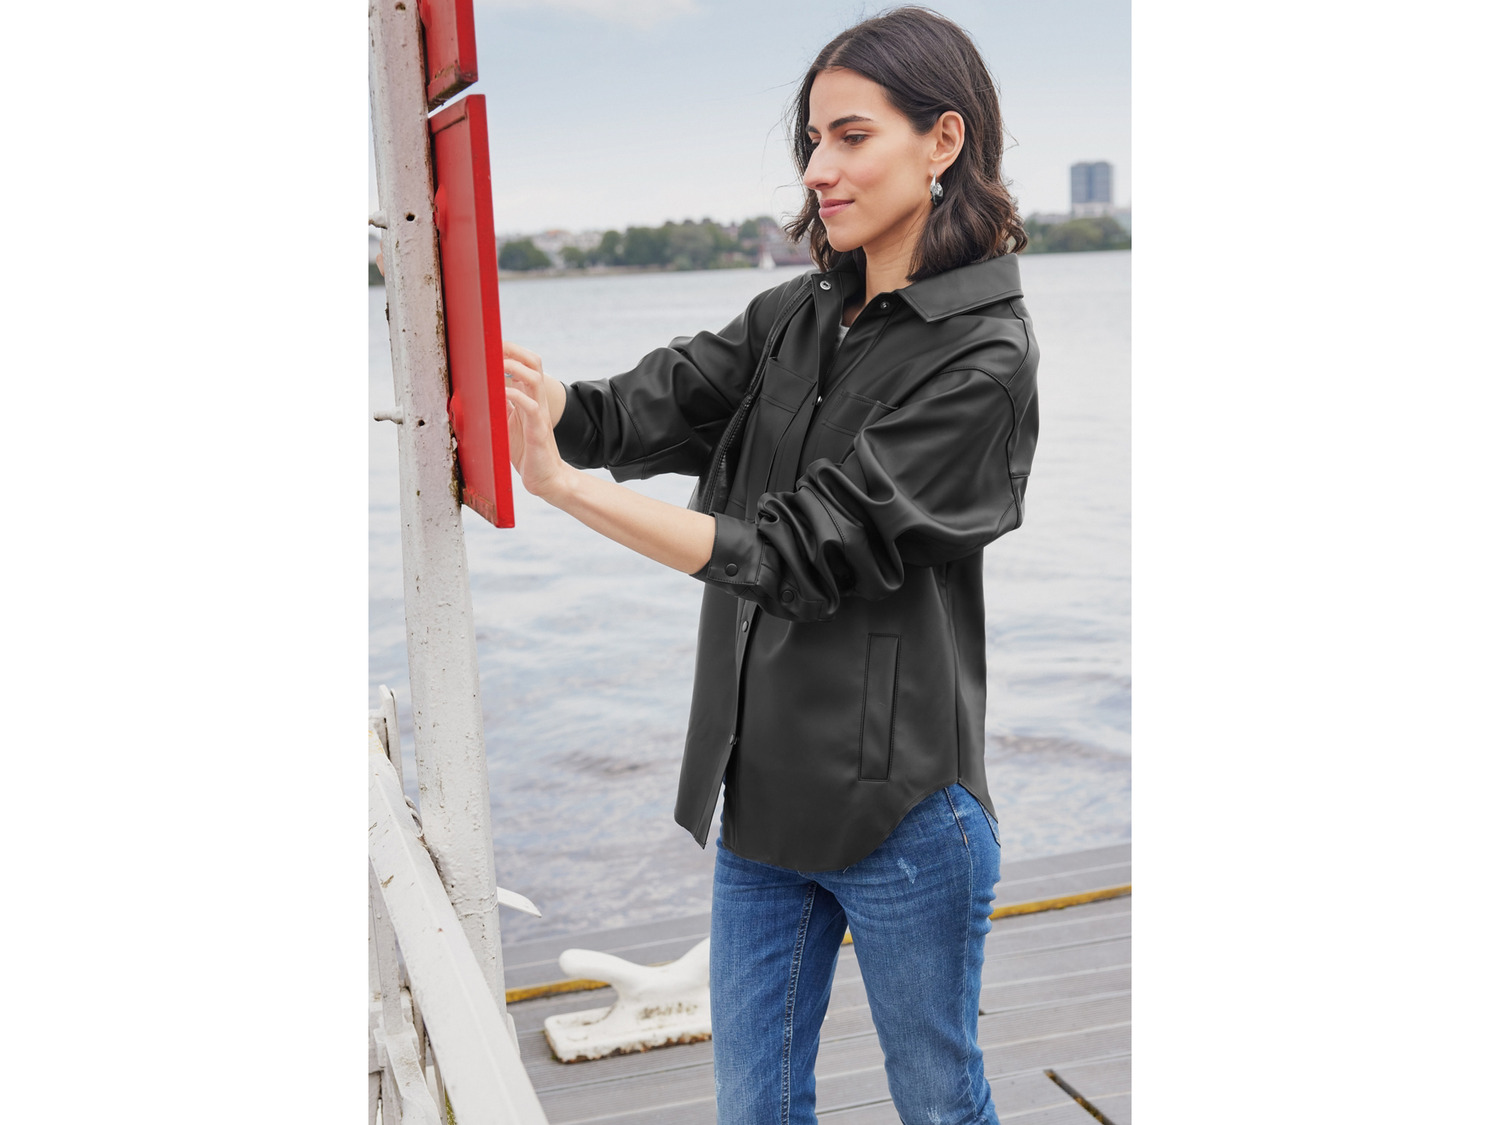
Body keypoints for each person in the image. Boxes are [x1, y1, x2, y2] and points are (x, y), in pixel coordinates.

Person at [502, 8, 1038, 1122]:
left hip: (902, 810)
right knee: (753, 1108)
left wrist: (568, 491)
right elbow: (639, 407)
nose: (819, 169)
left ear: (943, 141)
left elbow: (800, 550)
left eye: (852, 137)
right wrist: (537, 399)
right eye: (812, 140)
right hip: (762, 802)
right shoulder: (800, 313)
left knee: (940, 1102)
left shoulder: (985, 354)